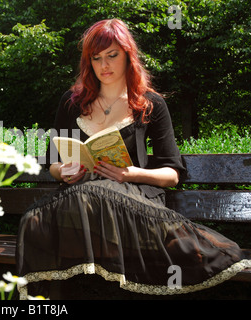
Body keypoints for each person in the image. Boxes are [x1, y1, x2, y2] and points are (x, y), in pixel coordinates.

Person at [15, 19, 251, 299]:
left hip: (132, 198)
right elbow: (52, 163)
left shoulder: (150, 103)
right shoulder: (71, 102)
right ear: (88, 62)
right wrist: (64, 172)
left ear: (128, 55)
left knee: (95, 195)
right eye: (97, 58)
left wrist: (130, 173)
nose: (105, 65)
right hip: (80, 201)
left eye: (112, 55)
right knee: (33, 219)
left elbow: (172, 174)